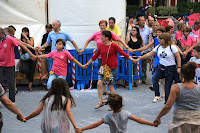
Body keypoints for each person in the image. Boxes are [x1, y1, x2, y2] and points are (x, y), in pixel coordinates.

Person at [83, 31, 136, 109]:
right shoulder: (101, 46)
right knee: (99, 84)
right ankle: (100, 102)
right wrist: (87, 64)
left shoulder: (114, 46)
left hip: (112, 69)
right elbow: (95, 56)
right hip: (103, 69)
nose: (101, 37)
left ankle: (114, 104)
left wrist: (132, 59)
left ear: (107, 38)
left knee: (110, 86)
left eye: (103, 36)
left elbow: (123, 53)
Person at [134, 33, 181, 103]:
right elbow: (150, 54)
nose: (158, 40)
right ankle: (157, 95)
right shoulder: (159, 47)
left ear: (165, 40)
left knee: (167, 86)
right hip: (161, 67)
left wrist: (179, 67)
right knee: (154, 78)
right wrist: (140, 58)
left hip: (170, 68)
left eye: (160, 39)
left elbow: (178, 57)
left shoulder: (172, 47)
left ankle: (167, 101)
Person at [154, 61, 200, 133]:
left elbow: (168, 106)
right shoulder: (199, 87)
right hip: (197, 121)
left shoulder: (176, 88)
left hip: (180, 122)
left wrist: (158, 117)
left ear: (183, 75)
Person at [76, 93, 157, 133]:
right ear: (121, 105)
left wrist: (82, 129)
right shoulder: (126, 114)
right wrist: (152, 124)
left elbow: (95, 124)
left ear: (110, 106)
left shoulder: (108, 116)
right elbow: (139, 120)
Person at [0, 27, 36, 103]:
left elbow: (23, 45)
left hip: (9, 64)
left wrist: (31, 54)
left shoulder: (10, 39)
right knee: (1, 82)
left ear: (2, 34)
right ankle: (1, 97)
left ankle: (12, 100)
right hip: (1, 63)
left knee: (11, 82)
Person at [20, 27, 37, 92]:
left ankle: (30, 87)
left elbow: (31, 44)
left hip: (32, 56)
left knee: (32, 71)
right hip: (25, 57)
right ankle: (27, 75)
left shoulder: (31, 38)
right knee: (24, 69)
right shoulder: (20, 40)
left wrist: (26, 38)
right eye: (23, 32)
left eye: (26, 32)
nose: (25, 33)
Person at [137, 16, 151, 84]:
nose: (143, 22)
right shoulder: (135, 29)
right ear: (138, 21)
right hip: (137, 49)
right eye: (142, 20)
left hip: (145, 49)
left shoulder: (148, 29)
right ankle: (136, 78)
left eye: (144, 20)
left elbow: (150, 38)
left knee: (144, 65)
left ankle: (144, 78)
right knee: (135, 64)